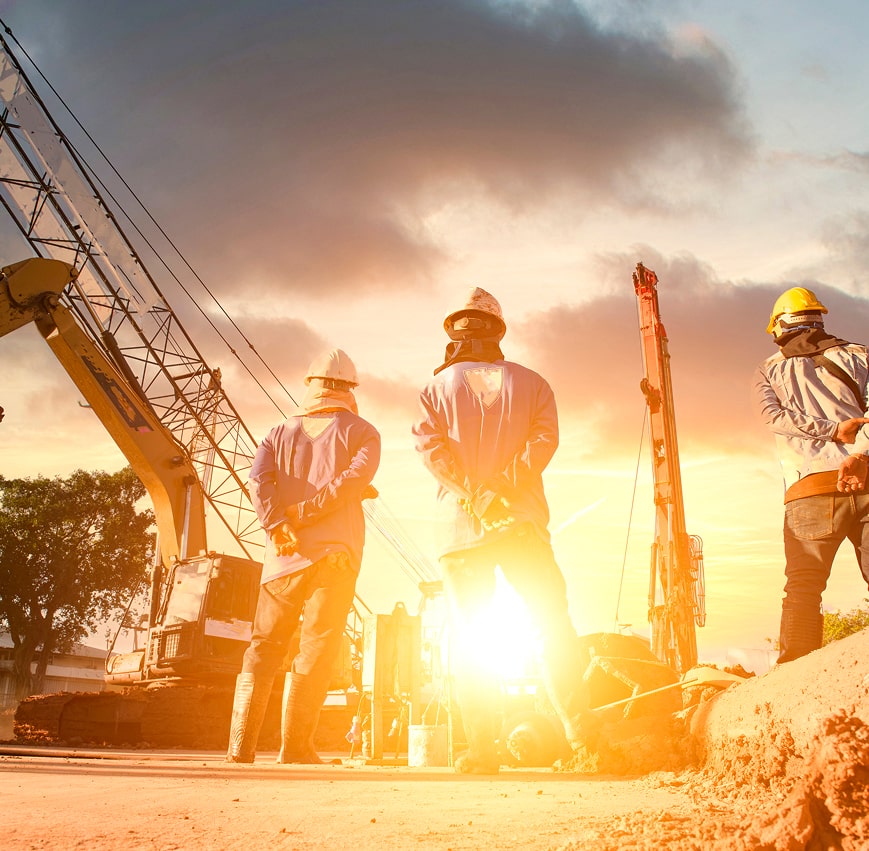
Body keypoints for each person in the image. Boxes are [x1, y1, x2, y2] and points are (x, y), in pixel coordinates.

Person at [412, 286, 590, 774]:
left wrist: (475, 493)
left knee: (471, 637)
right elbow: (543, 442)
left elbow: (432, 453)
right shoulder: (534, 384)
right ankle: (581, 740)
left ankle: (483, 752)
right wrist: (501, 489)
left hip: (459, 532)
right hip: (522, 525)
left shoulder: (435, 389)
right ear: (498, 331)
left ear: (454, 332)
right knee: (551, 625)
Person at [226, 348, 381, 763]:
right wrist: (307, 512)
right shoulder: (364, 433)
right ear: (350, 389)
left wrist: (278, 526)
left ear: (311, 386)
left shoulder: (277, 433)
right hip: (335, 558)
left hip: (282, 559)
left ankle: (239, 747)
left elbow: (259, 481)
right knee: (316, 647)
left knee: (263, 646)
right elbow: (351, 482)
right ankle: (294, 748)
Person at [752, 286, 869, 664]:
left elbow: (772, 418)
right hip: (868, 480)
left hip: (810, 490)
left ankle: (793, 675)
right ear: (818, 318)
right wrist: (860, 453)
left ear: (778, 325)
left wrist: (831, 432)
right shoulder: (860, 355)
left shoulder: (769, 368)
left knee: (803, 586)